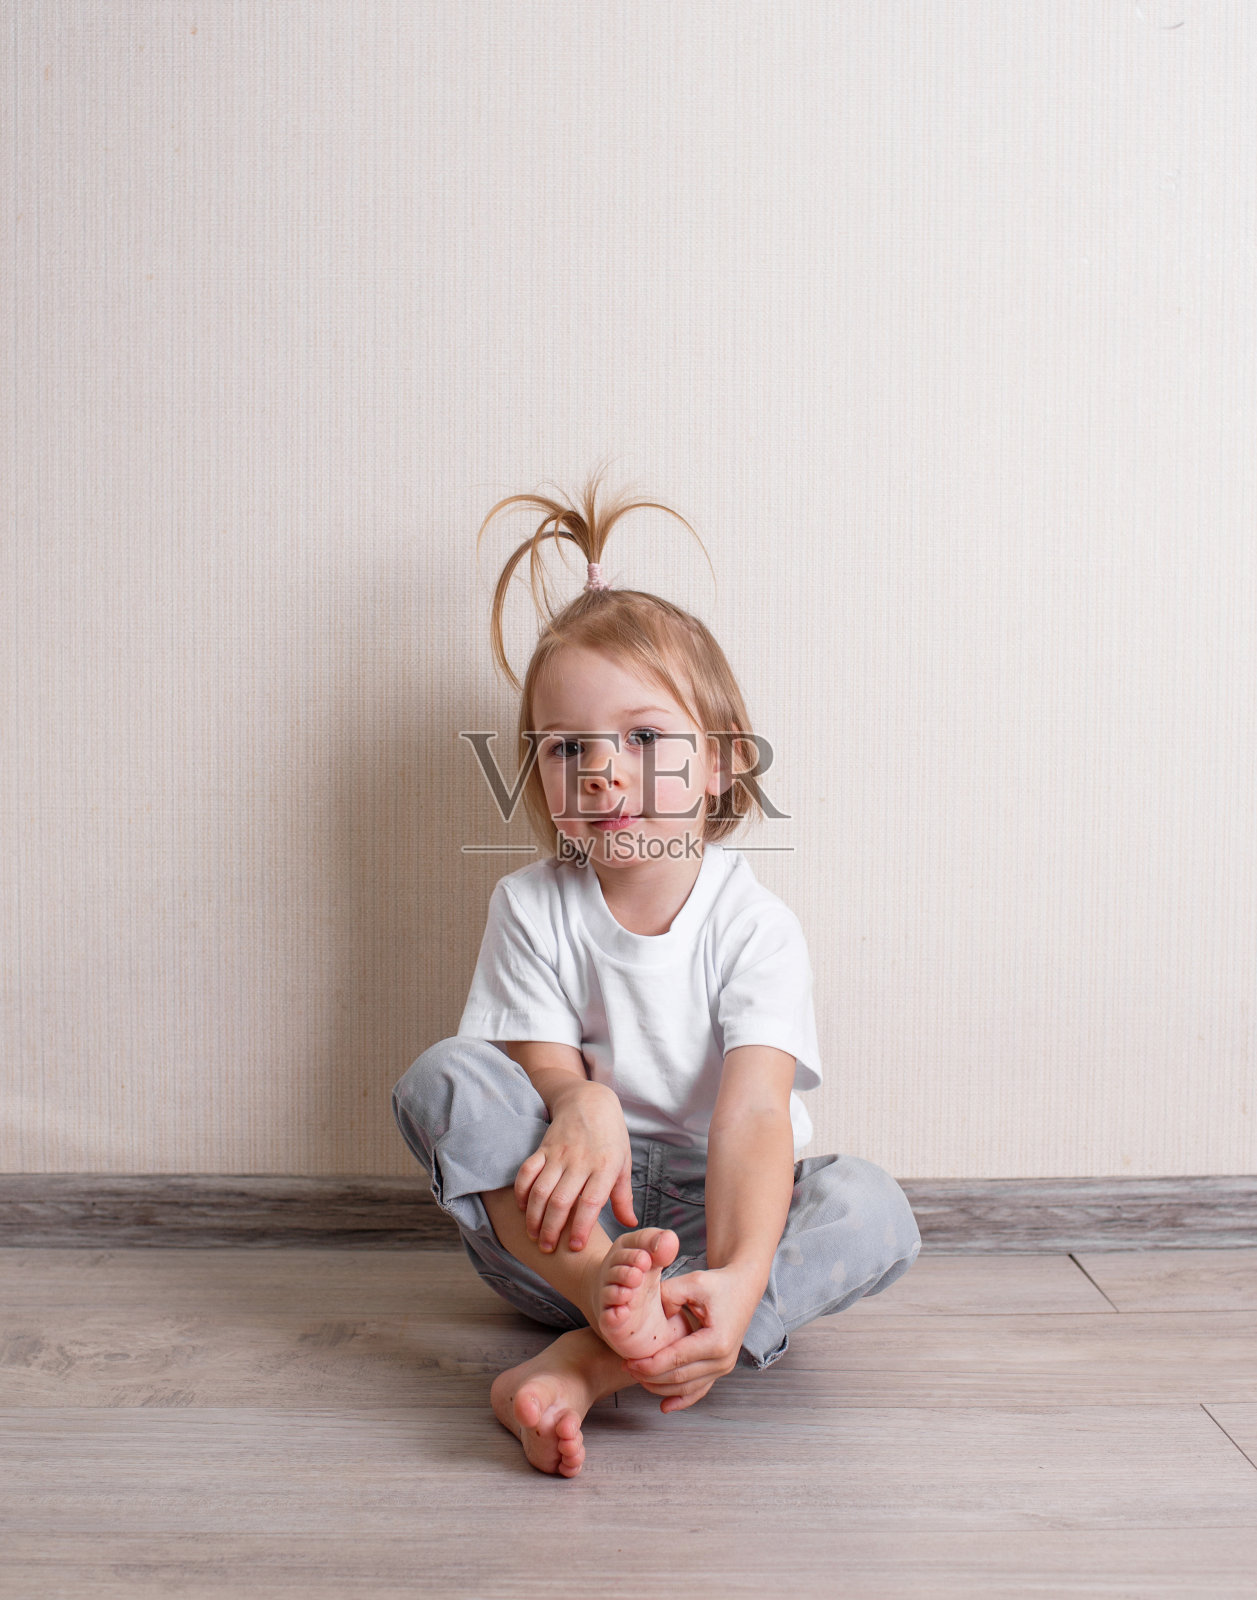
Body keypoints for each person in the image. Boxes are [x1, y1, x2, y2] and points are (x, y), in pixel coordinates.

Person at [392, 472, 922, 1477]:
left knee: (870, 1205)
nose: (600, 768)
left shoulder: (753, 924)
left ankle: (602, 1360)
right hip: (566, 1223)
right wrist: (576, 1100)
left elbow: (756, 1116)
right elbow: (533, 1062)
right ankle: (605, 1297)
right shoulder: (531, 903)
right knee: (444, 1073)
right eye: (567, 747)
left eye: (641, 738)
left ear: (721, 762)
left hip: (715, 1222)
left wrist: (739, 1267)